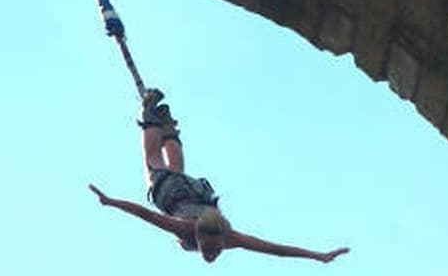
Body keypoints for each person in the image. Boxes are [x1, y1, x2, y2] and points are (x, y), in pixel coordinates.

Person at [88, 88, 350, 264]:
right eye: (212, 249)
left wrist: (319, 256)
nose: (212, 254)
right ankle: (150, 113)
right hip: (174, 195)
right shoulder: (199, 231)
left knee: (176, 170)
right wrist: (111, 202)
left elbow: (276, 250)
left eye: (211, 250)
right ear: (200, 237)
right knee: (153, 163)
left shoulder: (227, 238)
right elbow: (145, 214)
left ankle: (167, 128)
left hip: (196, 193)